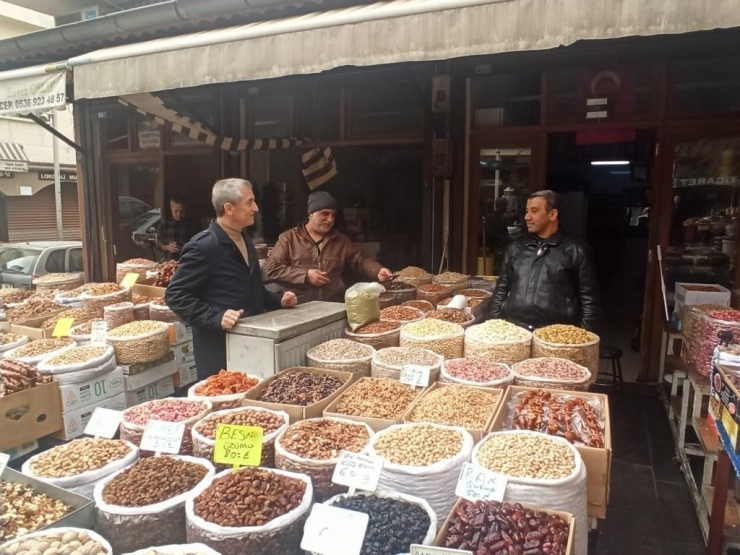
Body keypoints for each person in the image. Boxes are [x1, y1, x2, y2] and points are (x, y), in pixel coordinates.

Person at [166, 179, 297, 379]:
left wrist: (277, 300)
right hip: (219, 353)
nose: (255, 207)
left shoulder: (245, 240)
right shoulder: (204, 246)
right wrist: (215, 317)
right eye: (249, 202)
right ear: (229, 208)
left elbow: (251, 290)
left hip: (250, 346)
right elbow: (175, 295)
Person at [491, 190, 600, 331]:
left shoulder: (576, 250)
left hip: (557, 333)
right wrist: (494, 324)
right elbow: (501, 289)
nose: (526, 217)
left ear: (552, 214)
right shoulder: (516, 247)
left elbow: (589, 300)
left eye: (534, 211)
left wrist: (584, 337)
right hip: (516, 329)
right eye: (526, 211)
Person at [267, 191, 393, 303]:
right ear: (311, 213)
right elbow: (272, 269)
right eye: (325, 214)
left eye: (333, 215)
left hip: (333, 305)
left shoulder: (340, 240)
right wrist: (305, 275)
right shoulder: (288, 238)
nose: (330, 219)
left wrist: (378, 271)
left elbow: (360, 259)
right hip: (299, 306)